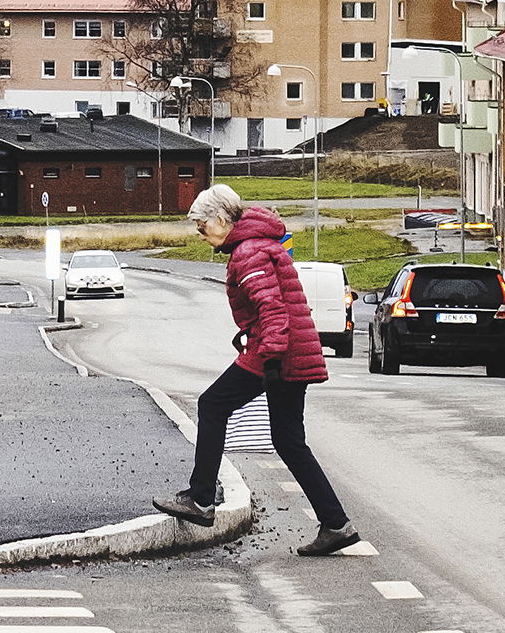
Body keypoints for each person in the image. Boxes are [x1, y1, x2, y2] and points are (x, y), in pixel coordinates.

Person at [154, 183, 359, 556]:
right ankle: (336, 524)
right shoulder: (257, 244)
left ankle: (201, 499)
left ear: (219, 219)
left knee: (212, 405)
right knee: (288, 440)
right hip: (285, 350)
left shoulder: (248, 252)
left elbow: (273, 310)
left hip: (277, 353)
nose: (201, 236)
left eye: (202, 227)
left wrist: (271, 358)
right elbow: (272, 308)